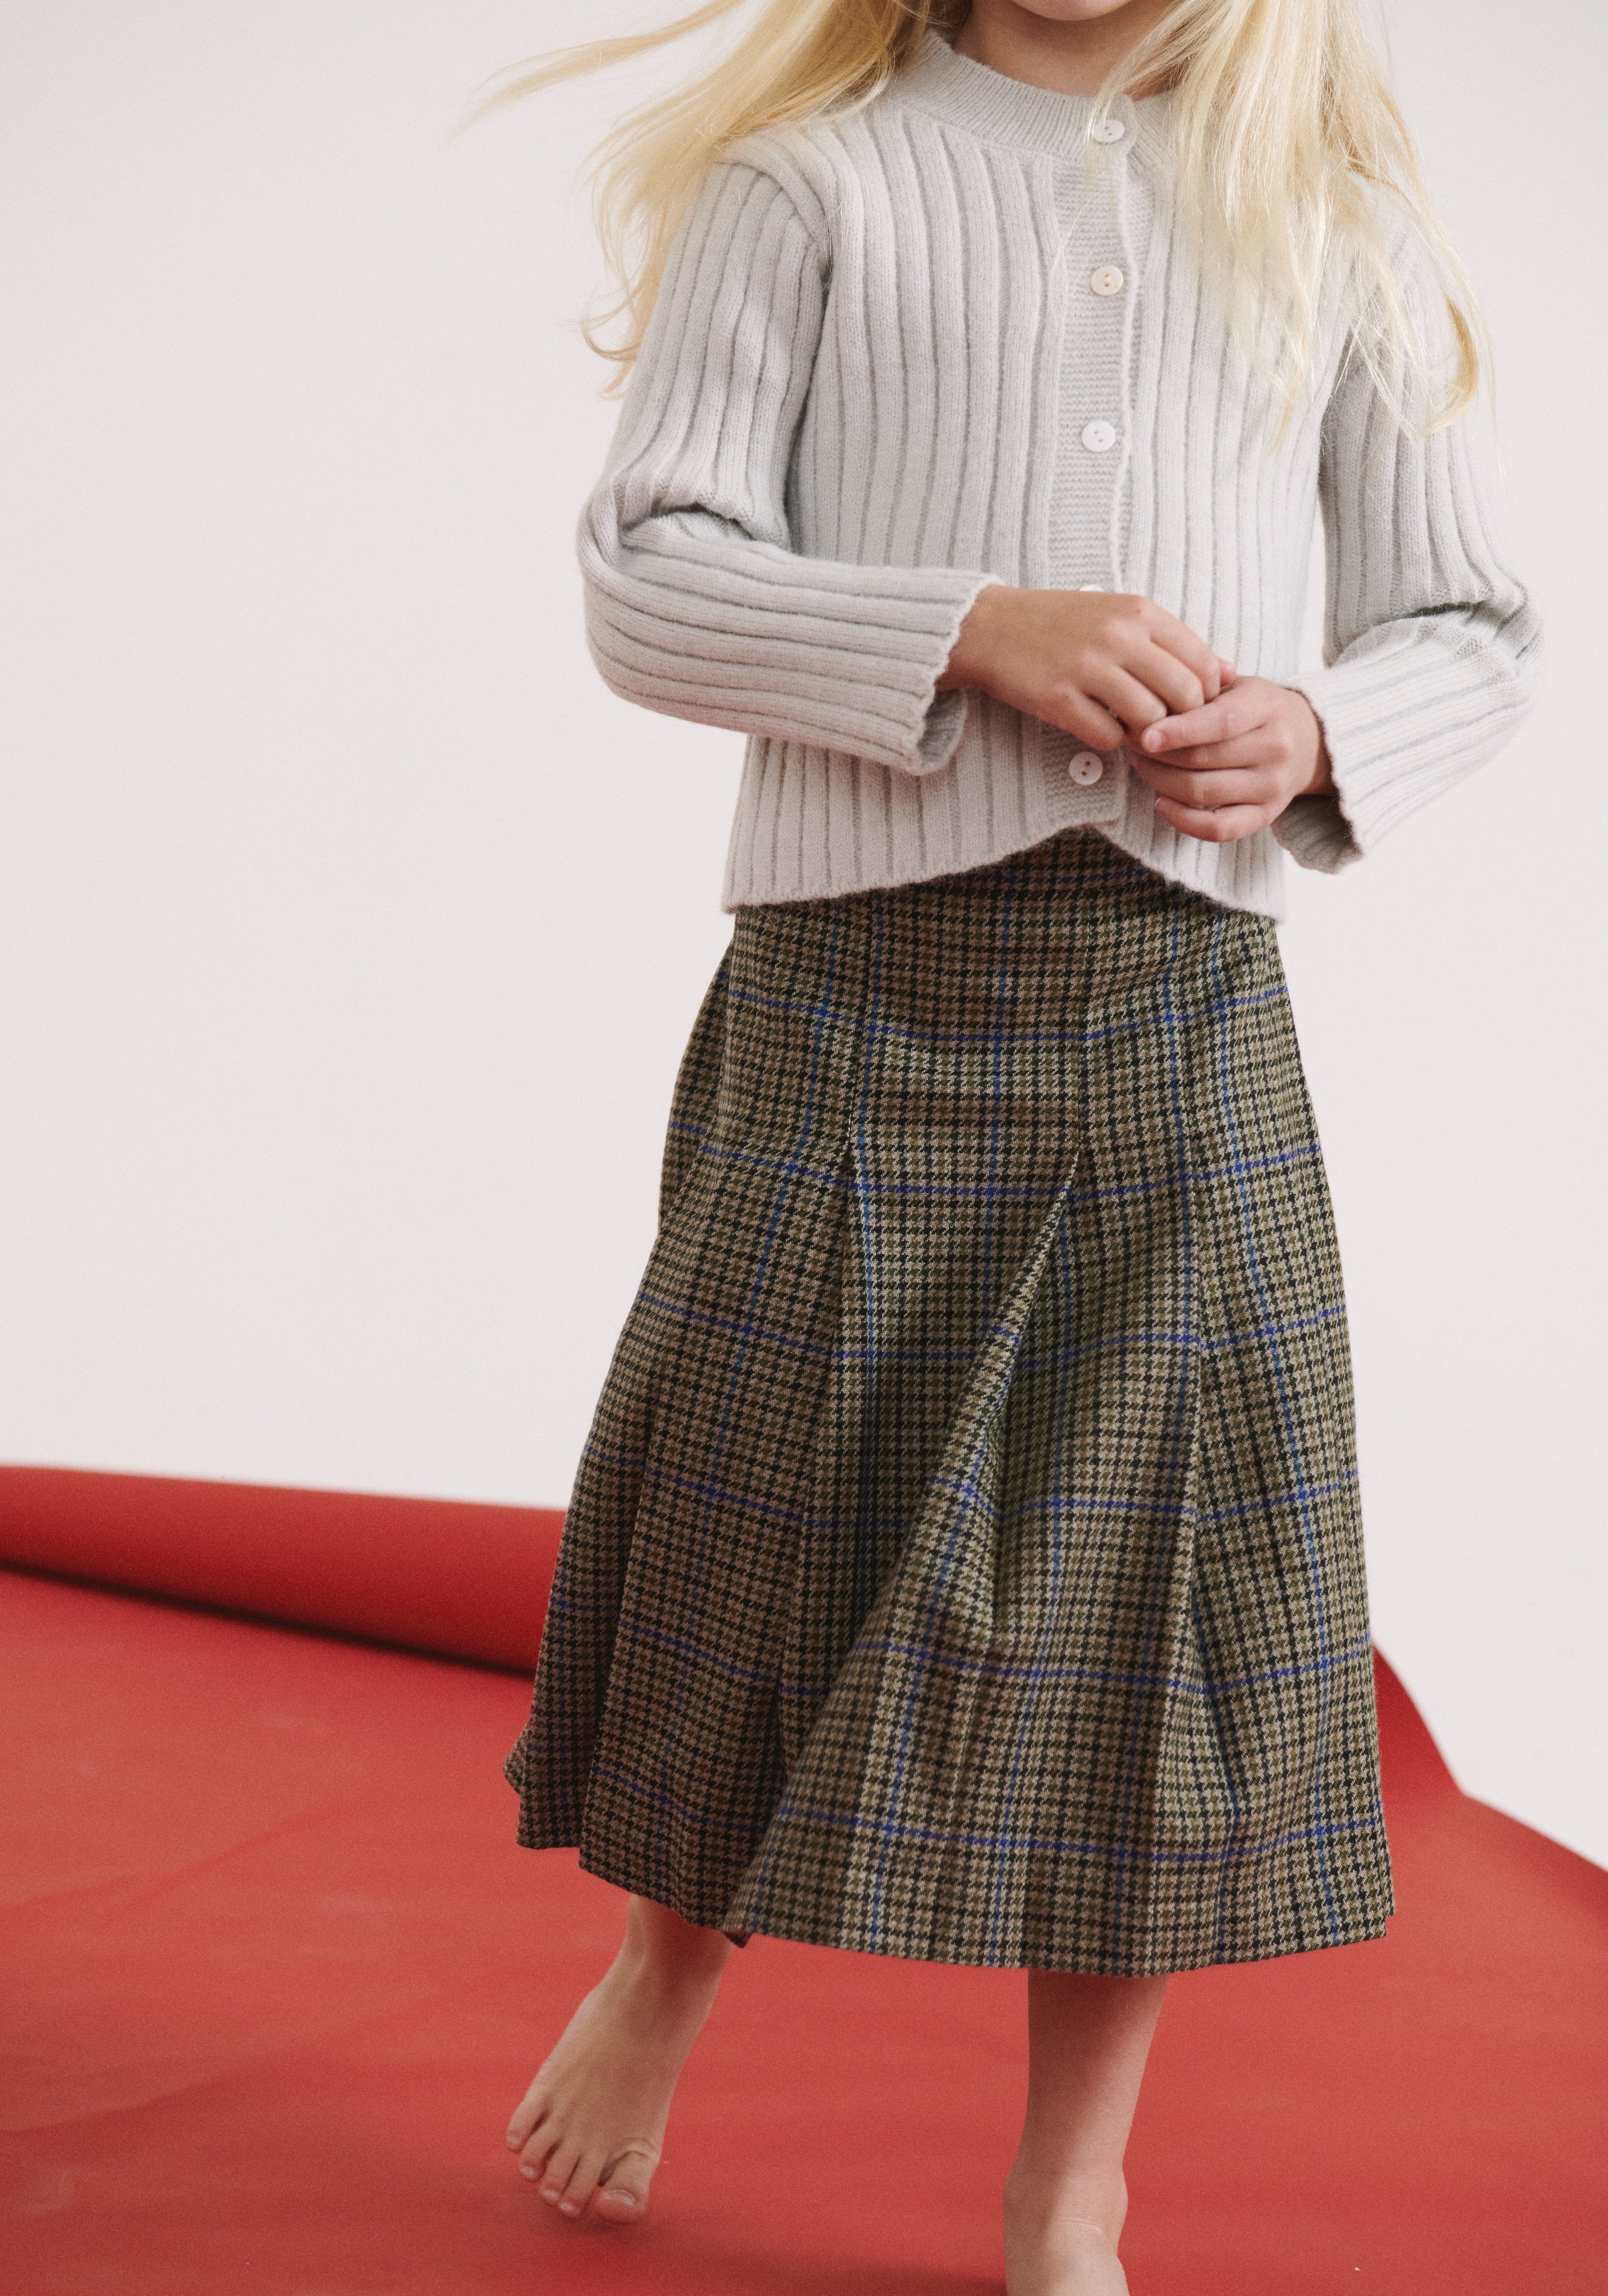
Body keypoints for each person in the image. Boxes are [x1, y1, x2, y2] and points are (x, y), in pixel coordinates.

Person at [489, 2, 1540, 2287]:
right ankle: (665, 1966)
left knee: (1146, 1581)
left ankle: (1074, 2178)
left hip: (1175, 1005)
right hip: (850, 994)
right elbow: (645, 577)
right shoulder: (813, 180)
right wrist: (966, 628)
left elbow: (1470, 620)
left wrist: (1319, 728)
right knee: (760, 1515)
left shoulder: (1327, 214)